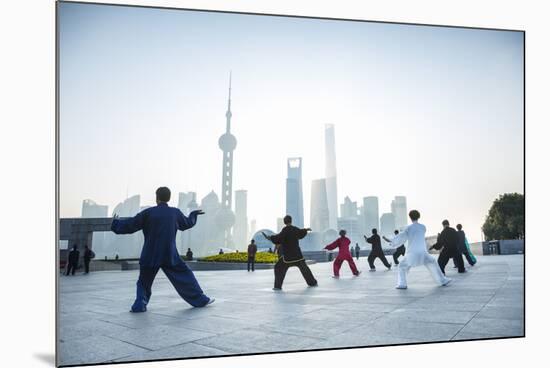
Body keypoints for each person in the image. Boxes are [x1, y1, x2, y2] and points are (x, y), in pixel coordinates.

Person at [111, 186, 214, 312]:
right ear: (169, 198)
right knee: (185, 276)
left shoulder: (148, 213)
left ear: (157, 197)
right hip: (169, 254)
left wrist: (116, 223)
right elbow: (186, 224)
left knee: (144, 282)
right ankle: (201, 300)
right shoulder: (174, 213)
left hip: (150, 254)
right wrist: (193, 215)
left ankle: (140, 305)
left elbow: (131, 224)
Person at [388, 210, 452, 289]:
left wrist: (392, 242)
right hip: (423, 252)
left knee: (401, 266)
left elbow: (401, 237)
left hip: (412, 253)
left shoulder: (408, 228)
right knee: (433, 263)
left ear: (410, 217)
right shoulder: (423, 227)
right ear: (419, 217)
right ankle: (443, 280)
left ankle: (402, 284)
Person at [262, 215, 318, 290]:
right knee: (305, 269)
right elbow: (301, 233)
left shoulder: (284, 231)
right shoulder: (294, 229)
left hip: (288, 257)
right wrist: (306, 230)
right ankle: (312, 282)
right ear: (291, 221)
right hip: (298, 256)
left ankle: (277, 286)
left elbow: (277, 238)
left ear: (284, 222)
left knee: (278, 267)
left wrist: (269, 237)